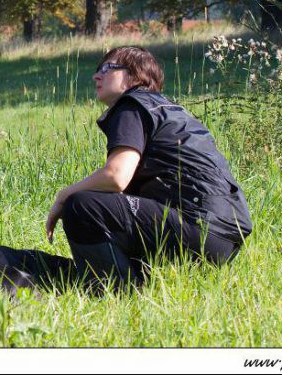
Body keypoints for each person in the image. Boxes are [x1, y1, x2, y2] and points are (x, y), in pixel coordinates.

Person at [45, 46, 252, 293]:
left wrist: (63, 195)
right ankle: (137, 281)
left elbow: (116, 177)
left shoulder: (132, 105)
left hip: (196, 227)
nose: (96, 75)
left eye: (107, 68)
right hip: (224, 236)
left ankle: (117, 293)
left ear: (135, 76)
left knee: (82, 206)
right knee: (114, 210)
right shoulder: (170, 110)